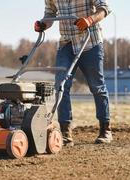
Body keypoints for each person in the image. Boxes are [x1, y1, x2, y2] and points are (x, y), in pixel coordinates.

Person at [34, 0, 112, 146]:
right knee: (60, 85)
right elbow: (50, 13)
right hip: (66, 45)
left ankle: (105, 129)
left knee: (97, 86)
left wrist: (90, 20)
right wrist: (43, 24)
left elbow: (104, 8)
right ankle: (65, 132)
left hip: (90, 43)